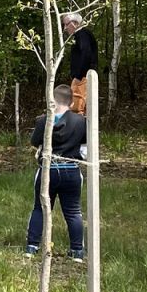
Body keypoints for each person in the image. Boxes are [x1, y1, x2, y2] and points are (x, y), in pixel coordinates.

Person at [26, 84, 88, 261]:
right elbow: (85, 143)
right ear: (71, 102)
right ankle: (77, 251)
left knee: (40, 209)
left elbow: (34, 142)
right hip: (71, 170)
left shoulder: (43, 120)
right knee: (74, 211)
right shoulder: (81, 122)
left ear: (52, 100)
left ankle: (32, 246)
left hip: (48, 170)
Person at [63, 12, 97, 115]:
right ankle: (84, 129)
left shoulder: (82, 34)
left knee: (77, 107)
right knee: (81, 106)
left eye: (66, 24)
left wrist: (79, 76)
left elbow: (86, 54)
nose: (65, 28)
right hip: (83, 76)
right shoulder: (82, 35)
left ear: (75, 23)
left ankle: (78, 129)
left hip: (82, 77)